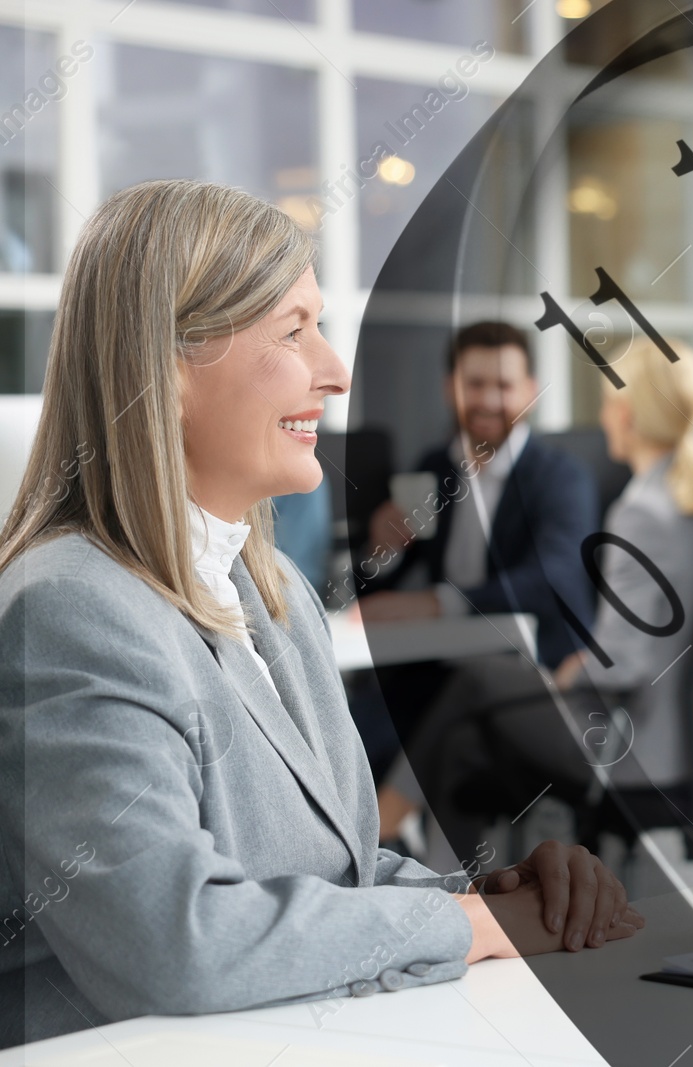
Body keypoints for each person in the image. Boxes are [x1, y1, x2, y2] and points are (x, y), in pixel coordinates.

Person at [0, 180, 641, 1049]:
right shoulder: (72, 609)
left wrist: (488, 894)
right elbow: (179, 941)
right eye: (293, 331)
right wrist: (488, 930)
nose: (335, 369)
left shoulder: (276, 593)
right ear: (167, 365)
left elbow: (335, 871)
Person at [402, 340, 693, 862]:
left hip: (620, 741)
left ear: (624, 413)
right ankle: (457, 888)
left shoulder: (642, 512)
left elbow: (622, 665)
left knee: (480, 678)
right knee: (463, 742)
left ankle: (395, 838)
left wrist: (573, 671)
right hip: (684, 742)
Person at [355, 320, 599, 834]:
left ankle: (388, 836)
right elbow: (379, 589)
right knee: (359, 723)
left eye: (504, 385)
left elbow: (551, 578)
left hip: (539, 677)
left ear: (531, 391)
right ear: (450, 388)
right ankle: (363, 852)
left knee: (451, 733)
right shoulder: (434, 469)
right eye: (474, 384)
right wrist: (383, 551)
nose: (488, 399)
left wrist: (439, 602)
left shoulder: (559, 477)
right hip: (441, 666)